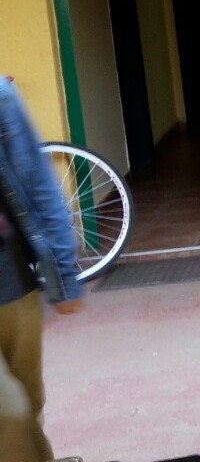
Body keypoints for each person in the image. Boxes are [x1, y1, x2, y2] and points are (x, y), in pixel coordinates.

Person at [0, 77, 86, 462]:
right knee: (9, 412)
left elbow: (39, 184)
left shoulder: (2, 98)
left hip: (12, 280)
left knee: (29, 406)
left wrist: (63, 274)